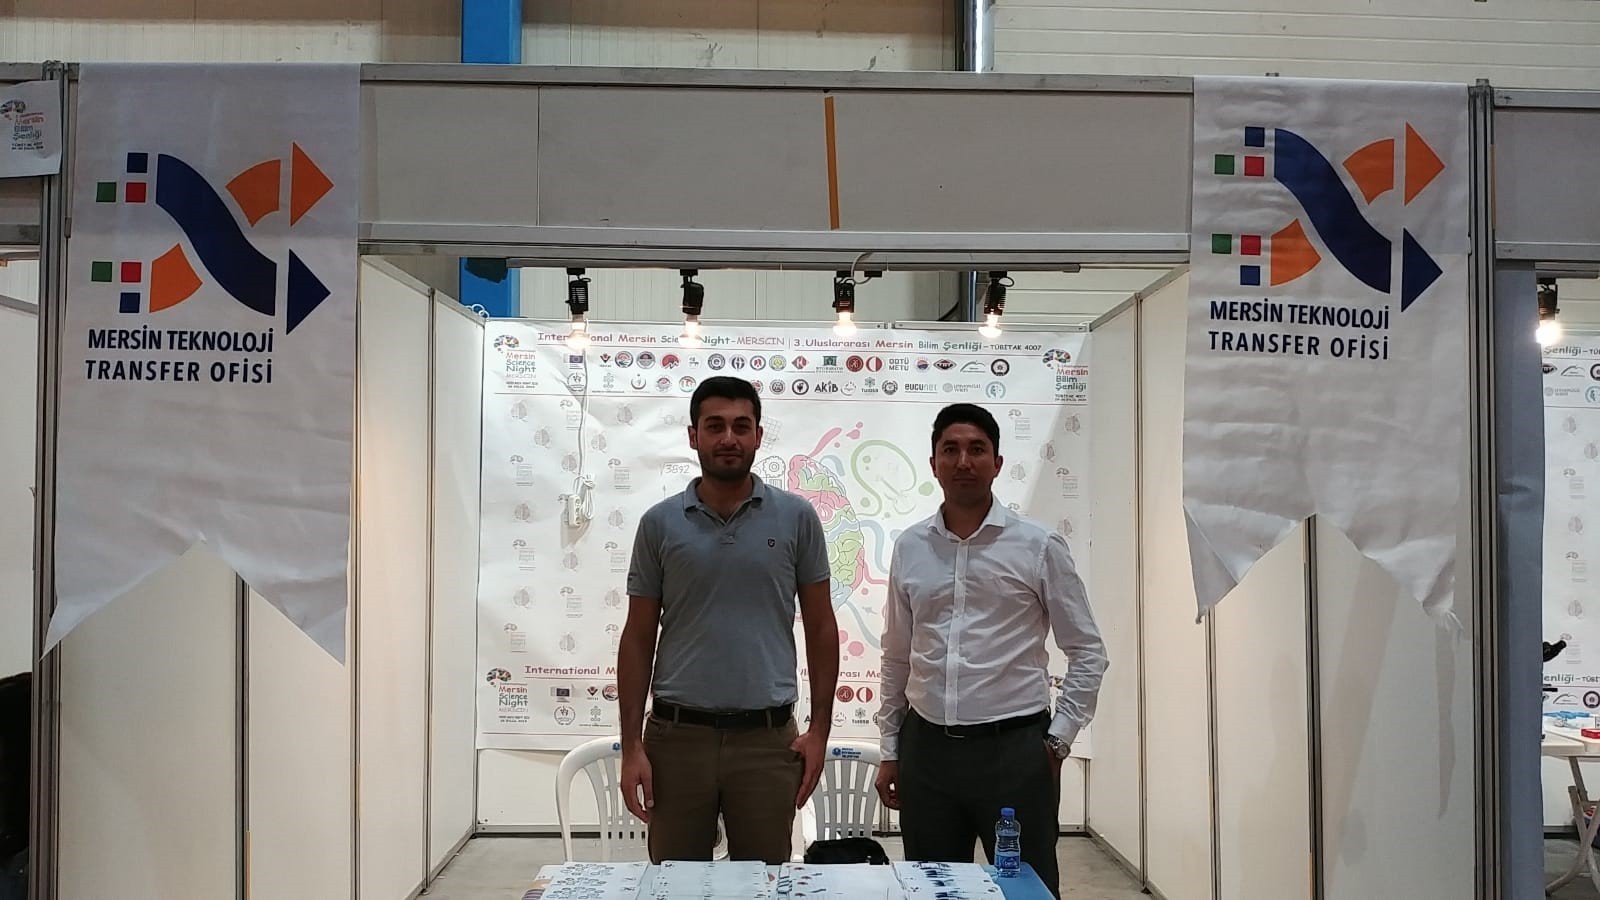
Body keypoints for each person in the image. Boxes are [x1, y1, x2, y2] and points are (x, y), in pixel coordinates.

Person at [875, 403, 1107, 898]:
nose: (963, 461)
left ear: (997, 463)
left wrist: (1058, 740)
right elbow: (896, 655)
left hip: (1015, 753)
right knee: (934, 889)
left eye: (977, 449)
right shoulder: (911, 547)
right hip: (927, 752)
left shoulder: (1038, 545)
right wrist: (891, 749)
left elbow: (1088, 650)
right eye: (951, 450)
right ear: (934, 463)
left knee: (1026, 890)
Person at [618, 375, 839, 864]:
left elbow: (822, 627)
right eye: (714, 426)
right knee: (675, 886)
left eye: (741, 426)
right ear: (693, 435)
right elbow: (637, 637)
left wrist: (820, 729)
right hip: (676, 742)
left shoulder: (797, 518)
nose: (728, 438)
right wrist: (631, 745)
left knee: (764, 885)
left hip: (767, 742)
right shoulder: (659, 524)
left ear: (758, 436)